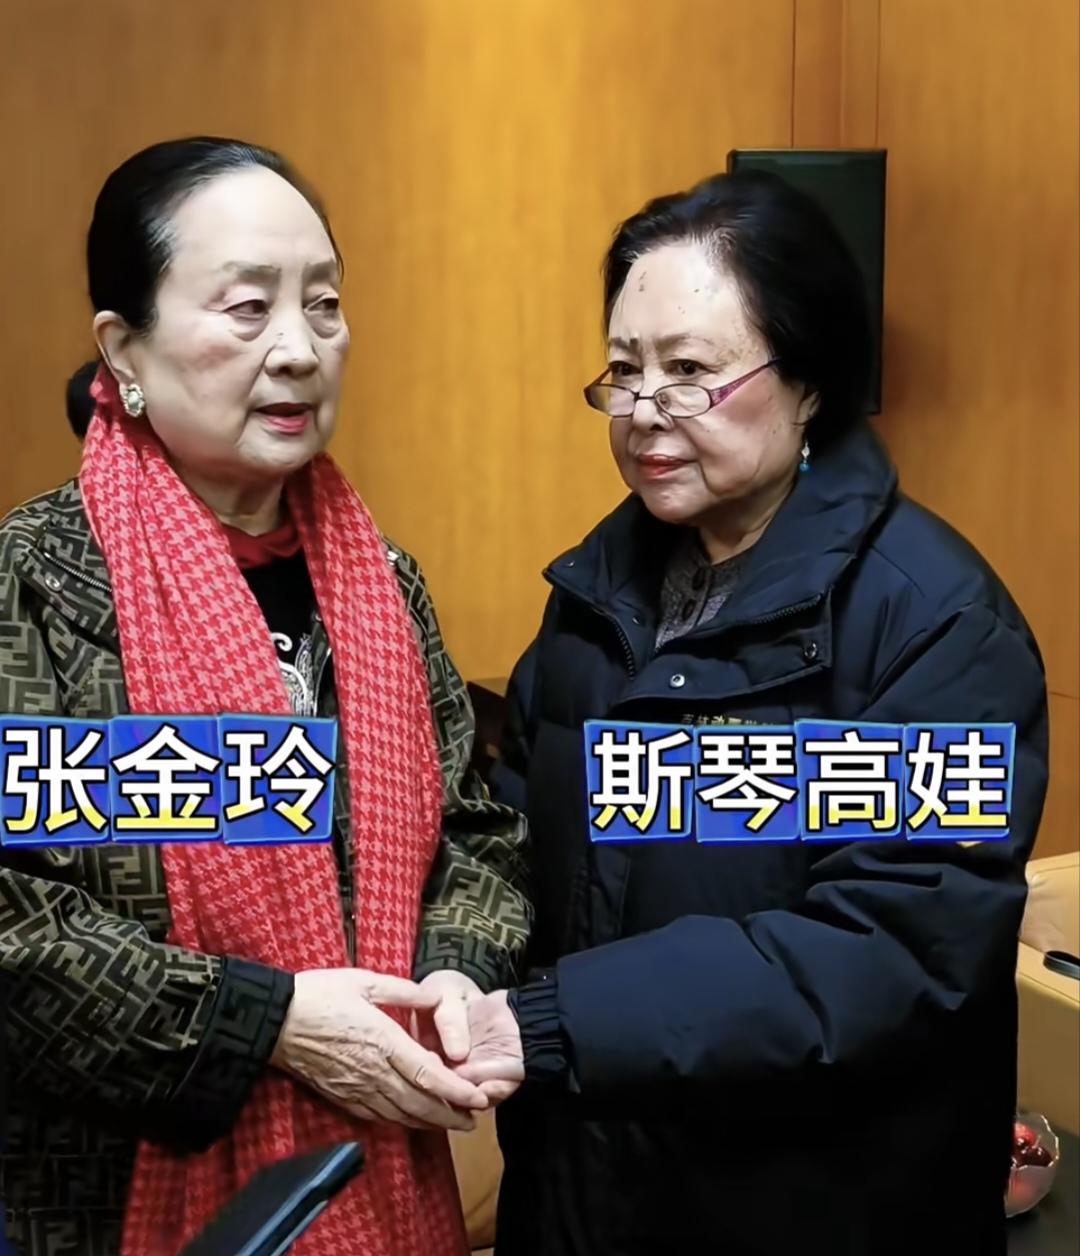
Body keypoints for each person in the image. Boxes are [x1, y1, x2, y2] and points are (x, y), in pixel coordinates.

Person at [455, 171, 1049, 1255]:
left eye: (690, 372)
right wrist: (457, 962)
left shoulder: (933, 621)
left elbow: (885, 941)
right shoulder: (596, 598)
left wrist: (556, 1020)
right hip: (587, 1192)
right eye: (625, 370)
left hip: (807, 1208)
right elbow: (520, 830)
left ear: (808, 380)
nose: (645, 409)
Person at [0, 137, 530, 1256]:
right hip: (100, 1196)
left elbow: (473, 833)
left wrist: (454, 972)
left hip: (380, 1168)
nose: (299, 348)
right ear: (123, 348)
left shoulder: (382, 584)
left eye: (324, 305)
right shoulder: (32, 585)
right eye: (249, 309)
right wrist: (267, 1022)